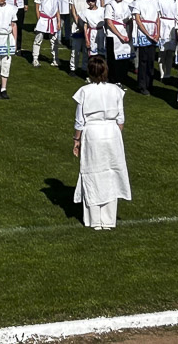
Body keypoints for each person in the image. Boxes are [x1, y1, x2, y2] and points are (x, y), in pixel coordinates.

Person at [72, 55, 132, 230]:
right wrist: (114, 135)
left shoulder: (85, 91)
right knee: (111, 173)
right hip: (112, 133)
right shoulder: (115, 90)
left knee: (93, 173)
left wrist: (76, 140)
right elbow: (120, 119)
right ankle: (107, 220)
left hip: (93, 134)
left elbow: (79, 121)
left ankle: (95, 220)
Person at [131, 0, 160, 96]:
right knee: (143, 60)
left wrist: (157, 33)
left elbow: (158, 18)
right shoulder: (138, 2)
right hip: (144, 32)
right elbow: (138, 20)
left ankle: (149, 83)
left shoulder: (154, 2)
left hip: (153, 30)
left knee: (151, 60)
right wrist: (147, 33)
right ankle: (142, 85)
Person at [103, 0, 133, 87]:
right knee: (112, 58)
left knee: (124, 58)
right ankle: (112, 79)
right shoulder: (110, 5)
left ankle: (122, 78)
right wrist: (120, 35)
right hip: (113, 34)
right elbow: (109, 22)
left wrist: (128, 34)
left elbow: (130, 21)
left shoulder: (127, 5)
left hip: (125, 32)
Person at [31, 0, 59, 69]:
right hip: (43, 19)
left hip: (53, 19)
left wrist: (58, 21)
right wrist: (39, 20)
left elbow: (57, 8)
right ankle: (35, 58)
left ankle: (55, 59)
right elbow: (37, 8)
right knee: (38, 39)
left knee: (54, 40)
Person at [156, 0, 178, 82]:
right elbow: (157, 15)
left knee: (170, 53)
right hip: (163, 25)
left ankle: (168, 74)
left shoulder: (175, 1)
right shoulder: (159, 1)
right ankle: (161, 73)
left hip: (172, 26)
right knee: (162, 53)